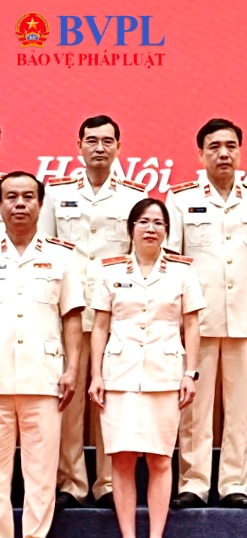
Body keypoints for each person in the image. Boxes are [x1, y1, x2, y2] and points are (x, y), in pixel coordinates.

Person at [89, 198, 205, 538]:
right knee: (121, 458)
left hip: (165, 373)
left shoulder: (182, 271)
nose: (151, 228)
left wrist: (190, 373)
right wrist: (96, 375)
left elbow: (192, 326)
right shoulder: (110, 270)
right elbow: (100, 326)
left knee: (160, 458)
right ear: (131, 229)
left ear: (167, 230)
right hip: (119, 374)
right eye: (143, 221)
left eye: (158, 222)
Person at [39, 115, 147, 511]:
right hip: (68, 312)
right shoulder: (55, 193)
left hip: (114, 316)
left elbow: (138, 256)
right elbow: (47, 250)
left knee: (111, 400)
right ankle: (71, 481)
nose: (99, 148)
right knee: (68, 401)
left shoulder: (134, 196)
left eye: (107, 141)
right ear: (79, 146)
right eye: (91, 141)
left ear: (119, 146)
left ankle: (108, 481)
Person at [165, 118, 247, 510]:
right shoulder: (179, 198)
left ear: (240, 151)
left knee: (242, 407)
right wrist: (176, 317)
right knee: (194, 407)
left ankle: (233, 483)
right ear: (201, 154)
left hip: (246, 314)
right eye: (214, 147)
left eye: (230, 146)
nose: (223, 153)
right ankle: (194, 482)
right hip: (198, 319)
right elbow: (172, 263)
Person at [0, 171, 84, 538]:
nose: (20, 204)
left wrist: (73, 369)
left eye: (28, 197)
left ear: (40, 203)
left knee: (41, 469)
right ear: (0, 204)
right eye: (11, 197)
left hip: (44, 376)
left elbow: (72, 316)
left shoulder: (62, 255)